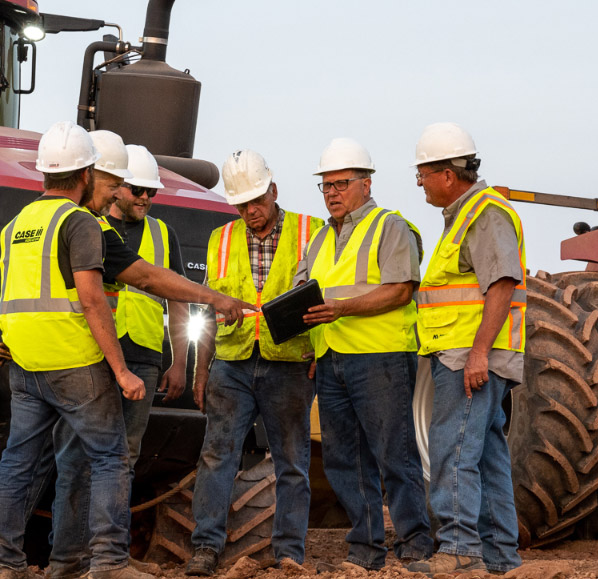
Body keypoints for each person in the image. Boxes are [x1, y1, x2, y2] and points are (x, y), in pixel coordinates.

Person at [33, 132, 253, 579]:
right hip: (93, 354)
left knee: (123, 458)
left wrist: (177, 359)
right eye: (138, 189)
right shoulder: (87, 225)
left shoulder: (161, 233)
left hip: (145, 358)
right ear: (116, 187)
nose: (146, 198)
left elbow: (172, 295)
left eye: (152, 191)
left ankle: (105, 554)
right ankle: (68, 557)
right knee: (77, 458)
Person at [0, 121, 151, 579]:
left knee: (18, 459)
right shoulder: (79, 222)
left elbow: (21, 294)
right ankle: (110, 562)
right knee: (110, 457)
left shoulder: (15, 225)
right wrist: (122, 370)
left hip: (25, 363)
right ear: (86, 173)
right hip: (75, 362)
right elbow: (93, 301)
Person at [182, 150, 325, 576]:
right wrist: (200, 369)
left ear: (273, 190)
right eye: (242, 205)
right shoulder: (221, 238)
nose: (250, 212)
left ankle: (288, 555)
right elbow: (207, 310)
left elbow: (326, 298)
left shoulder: (311, 231)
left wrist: (321, 351)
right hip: (232, 363)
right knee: (216, 456)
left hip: (290, 363)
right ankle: (205, 549)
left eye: (257, 202)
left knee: (292, 462)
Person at [297, 137, 432, 571]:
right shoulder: (319, 238)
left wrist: (341, 309)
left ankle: (415, 541)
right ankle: (366, 548)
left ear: (366, 184)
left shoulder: (392, 226)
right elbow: (304, 294)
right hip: (331, 359)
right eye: (326, 185)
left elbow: (400, 290)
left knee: (395, 454)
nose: (332, 192)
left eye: (341, 183)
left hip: (381, 358)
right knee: (344, 459)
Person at [404, 123, 526, 577]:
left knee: (452, 450)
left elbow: (502, 285)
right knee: (486, 454)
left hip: (468, 359)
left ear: (448, 174)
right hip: (464, 356)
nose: (420, 185)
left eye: (422, 175)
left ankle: (458, 549)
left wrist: (478, 354)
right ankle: (498, 556)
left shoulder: (484, 213)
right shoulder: (468, 214)